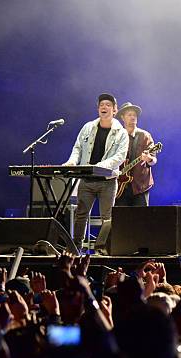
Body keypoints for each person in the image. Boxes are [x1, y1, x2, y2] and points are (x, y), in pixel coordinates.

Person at [63, 93, 128, 250]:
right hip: (87, 179)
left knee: (107, 218)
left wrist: (100, 166)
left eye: (107, 105)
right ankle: (75, 249)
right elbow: (78, 147)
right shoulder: (88, 127)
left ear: (114, 110)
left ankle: (104, 249)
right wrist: (72, 161)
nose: (104, 107)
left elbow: (120, 156)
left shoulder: (121, 132)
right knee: (81, 215)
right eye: (101, 105)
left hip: (107, 181)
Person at [114, 102, 157, 206]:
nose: (133, 117)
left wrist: (149, 159)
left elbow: (154, 159)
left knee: (141, 219)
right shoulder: (117, 136)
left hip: (140, 186)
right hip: (120, 186)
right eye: (129, 114)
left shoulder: (145, 135)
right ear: (122, 117)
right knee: (122, 219)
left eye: (134, 115)